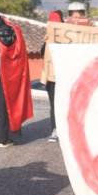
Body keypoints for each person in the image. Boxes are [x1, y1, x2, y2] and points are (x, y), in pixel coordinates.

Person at [0, 2, 33, 147]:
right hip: (1, 75)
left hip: (3, 75)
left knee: (2, 107)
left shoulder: (1, 30)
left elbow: (6, 51)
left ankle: (3, 137)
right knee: (0, 106)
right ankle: (2, 136)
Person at [41, 9, 64, 142]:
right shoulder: (48, 38)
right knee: (54, 105)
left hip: (65, 76)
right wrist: (46, 43)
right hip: (51, 77)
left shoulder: (69, 36)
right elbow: (42, 54)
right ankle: (55, 129)